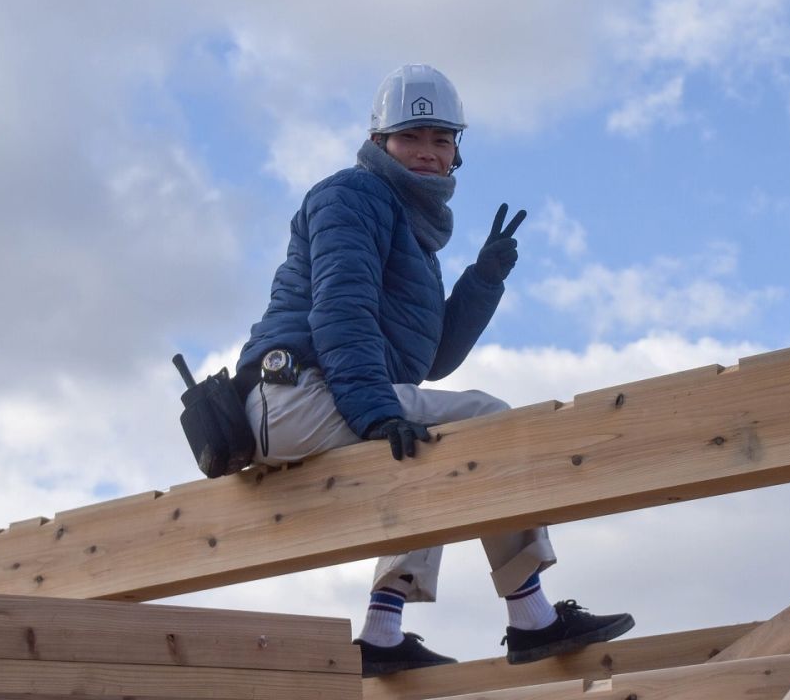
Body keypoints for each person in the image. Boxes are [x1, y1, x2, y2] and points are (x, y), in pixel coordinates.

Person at [234, 64, 633, 676]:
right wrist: (376, 412)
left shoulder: (415, 239)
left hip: (331, 394)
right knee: (485, 425)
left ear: (455, 155)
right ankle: (531, 617)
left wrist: (483, 279)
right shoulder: (351, 195)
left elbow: (432, 360)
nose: (426, 152)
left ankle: (383, 629)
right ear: (379, 145)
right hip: (292, 395)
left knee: (429, 446)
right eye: (410, 137)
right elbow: (342, 312)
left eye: (441, 140)